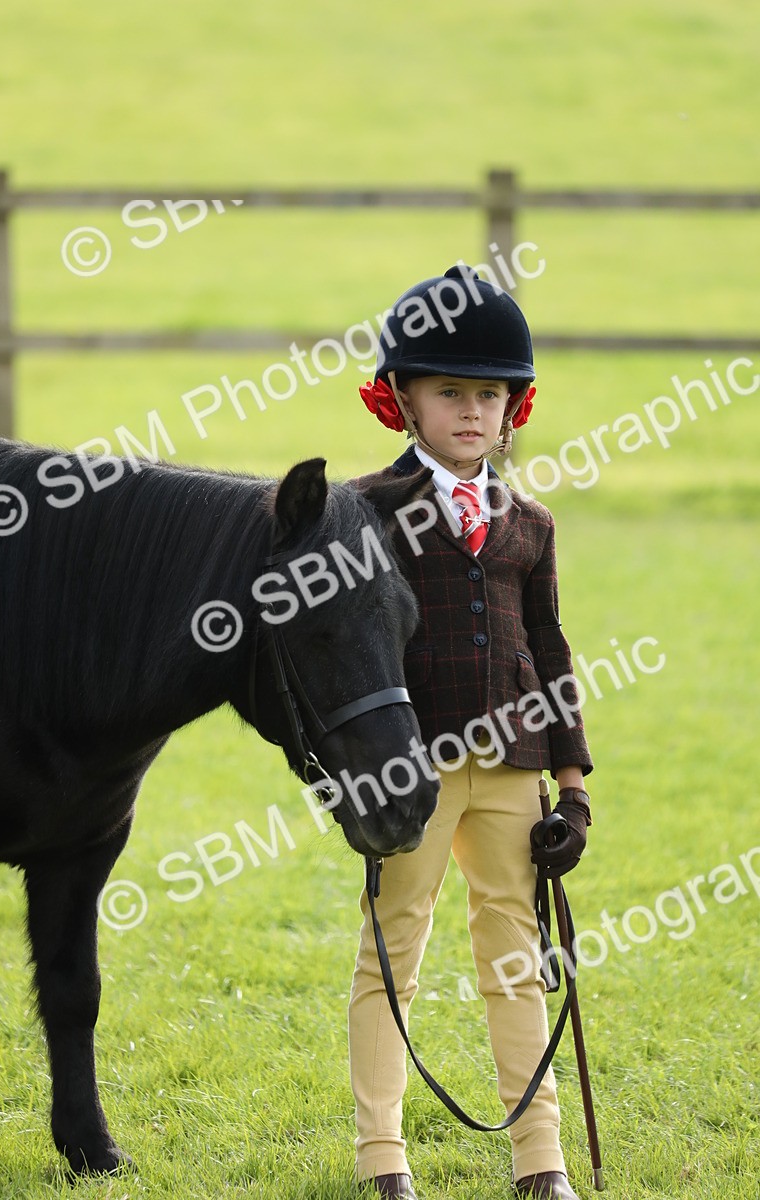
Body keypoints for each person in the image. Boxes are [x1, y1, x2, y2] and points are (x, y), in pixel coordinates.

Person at [347, 265, 594, 1200]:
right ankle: (383, 1160)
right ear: (403, 399)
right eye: (450, 392)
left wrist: (571, 786)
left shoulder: (531, 523)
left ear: (512, 406)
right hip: (410, 774)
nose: (472, 411)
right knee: (390, 958)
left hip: (512, 771)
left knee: (517, 964)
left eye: (488, 394)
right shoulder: (367, 511)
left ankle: (541, 1161)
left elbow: (551, 648)